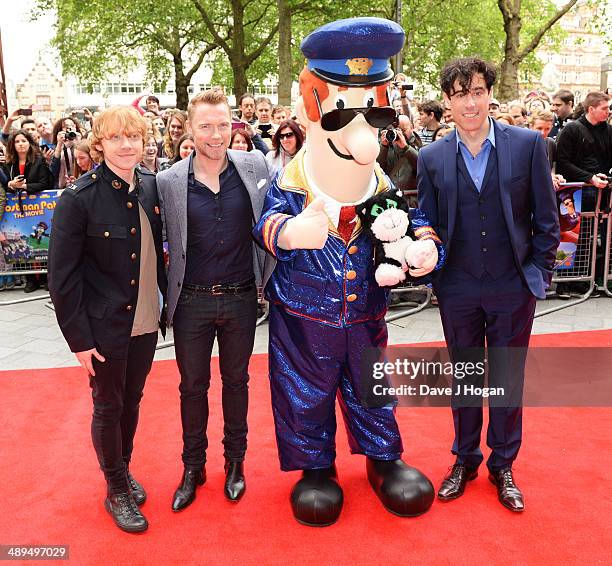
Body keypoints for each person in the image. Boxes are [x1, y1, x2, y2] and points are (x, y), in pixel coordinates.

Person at [254, 17, 442, 527]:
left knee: (370, 386)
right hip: (303, 315)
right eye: (342, 114)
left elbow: (416, 224)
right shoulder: (291, 182)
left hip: (364, 315)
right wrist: (289, 233)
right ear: (313, 109)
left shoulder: (382, 183)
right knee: (303, 390)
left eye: (373, 114)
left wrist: (425, 253)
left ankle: (383, 458)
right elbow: (268, 221)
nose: (363, 134)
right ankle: (315, 467)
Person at [418, 57, 559, 512]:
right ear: (448, 102)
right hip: (457, 285)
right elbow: (427, 220)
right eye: (461, 94)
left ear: (489, 95)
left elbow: (547, 220)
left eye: (478, 91)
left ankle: (503, 463)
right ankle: (465, 457)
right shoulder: (432, 156)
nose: (471, 102)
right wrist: (428, 261)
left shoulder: (526, 146)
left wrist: (538, 274)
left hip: (512, 285)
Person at [48, 106, 168, 533]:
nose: (126, 145)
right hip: (104, 328)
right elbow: (61, 279)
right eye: (116, 138)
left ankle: (122, 468)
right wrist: (79, 340)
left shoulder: (153, 187)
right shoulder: (78, 198)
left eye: (133, 137)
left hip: (148, 321)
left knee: (131, 402)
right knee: (108, 405)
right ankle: (115, 488)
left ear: (143, 141)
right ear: (99, 143)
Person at [156, 89, 274, 511]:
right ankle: (193, 466)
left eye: (223, 125)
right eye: (206, 126)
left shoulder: (254, 164)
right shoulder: (169, 181)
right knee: (192, 387)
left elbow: (277, 214)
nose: (215, 134)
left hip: (242, 298)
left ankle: (235, 462)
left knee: (237, 384)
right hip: (191, 302)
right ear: (189, 128)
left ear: (233, 125)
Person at [1, 129, 54, 293]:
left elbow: (46, 183)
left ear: (29, 143)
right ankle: (30, 280)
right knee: (21, 243)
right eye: (17, 141)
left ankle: (45, 278)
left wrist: (24, 186)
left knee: (41, 242)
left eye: (23, 141)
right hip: (17, 211)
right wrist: (11, 185)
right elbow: (5, 184)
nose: (20, 144)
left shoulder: (39, 161)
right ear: (12, 145)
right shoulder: (8, 164)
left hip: (38, 209)